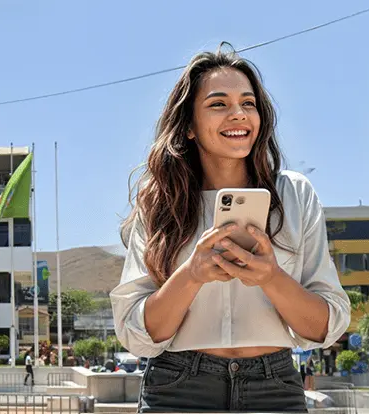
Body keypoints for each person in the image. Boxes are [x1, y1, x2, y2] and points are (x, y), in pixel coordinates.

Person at [109, 43, 351, 413]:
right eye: (219, 104)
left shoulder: (294, 194)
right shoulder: (159, 202)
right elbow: (138, 335)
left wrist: (271, 278)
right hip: (178, 389)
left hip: (275, 388)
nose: (238, 114)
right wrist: (191, 274)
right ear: (189, 126)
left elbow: (324, 328)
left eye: (248, 103)